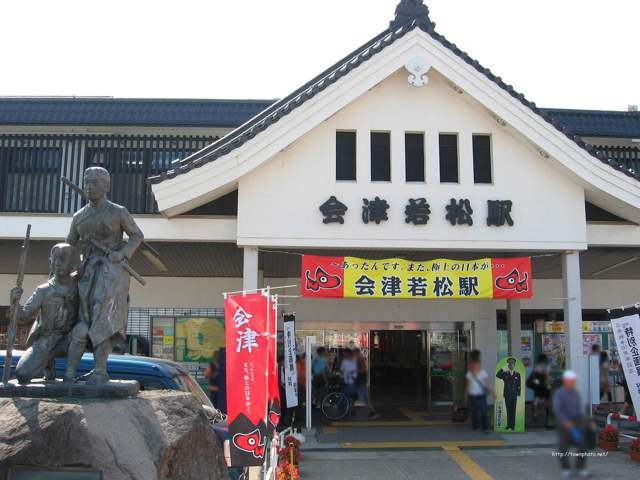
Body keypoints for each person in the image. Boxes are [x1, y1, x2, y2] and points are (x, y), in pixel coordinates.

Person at [65, 166, 144, 384]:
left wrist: (123, 253)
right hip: (88, 272)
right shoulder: (79, 216)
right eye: (87, 182)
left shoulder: (117, 211)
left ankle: (100, 370)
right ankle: (71, 372)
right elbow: (70, 244)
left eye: (95, 183)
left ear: (106, 186)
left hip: (112, 272)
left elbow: (137, 235)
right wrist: (70, 265)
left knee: (103, 316)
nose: (90, 187)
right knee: (84, 319)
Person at [9, 243, 79, 384]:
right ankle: (48, 365)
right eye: (54, 259)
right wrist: (14, 303)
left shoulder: (80, 284)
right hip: (47, 340)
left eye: (62, 259)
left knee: (82, 330)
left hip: (70, 338)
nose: (57, 263)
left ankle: (70, 375)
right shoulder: (43, 290)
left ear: (72, 264)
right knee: (22, 374)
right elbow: (23, 317)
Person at [553, 370, 590, 478]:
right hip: (563, 423)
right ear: (565, 381)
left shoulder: (575, 393)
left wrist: (583, 420)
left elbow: (579, 409)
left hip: (576, 421)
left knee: (583, 445)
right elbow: (558, 410)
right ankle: (566, 468)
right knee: (563, 447)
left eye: (574, 381)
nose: (573, 383)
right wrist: (566, 422)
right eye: (571, 381)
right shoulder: (559, 393)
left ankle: (580, 467)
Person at [465, 350, 492, 432]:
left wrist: (494, 392)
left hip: (481, 396)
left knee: (484, 412)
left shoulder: (483, 373)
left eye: (477, 364)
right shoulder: (470, 374)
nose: (476, 366)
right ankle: (476, 426)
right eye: (474, 365)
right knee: (474, 412)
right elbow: (467, 386)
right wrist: (466, 397)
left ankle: (485, 428)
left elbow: (488, 384)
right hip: (472, 396)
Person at [496, 357, 521, 430]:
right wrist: (503, 368)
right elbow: (497, 375)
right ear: (508, 365)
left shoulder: (517, 374)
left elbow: (519, 385)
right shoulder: (505, 373)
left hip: (514, 395)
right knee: (508, 410)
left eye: (512, 364)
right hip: (507, 394)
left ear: (514, 365)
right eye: (510, 364)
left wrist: (518, 393)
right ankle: (508, 425)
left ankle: (512, 426)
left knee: (513, 410)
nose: (511, 365)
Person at [527, 353, 552, 428]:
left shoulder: (537, 366)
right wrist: (551, 381)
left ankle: (535, 411)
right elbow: (547, 376)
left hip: (535, 383)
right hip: (542, 384)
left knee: (537, 396)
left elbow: (535, 376)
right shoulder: (546, 366)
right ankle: (549, 414)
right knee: (546, 398)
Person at [354, 348, 379, 419]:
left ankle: (372, 412)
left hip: (361, 382)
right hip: (360, 381)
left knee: (365, 398)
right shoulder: (358, 359)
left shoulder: (360, 359)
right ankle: (352, 409)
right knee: (354, 396)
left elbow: (363, 369)